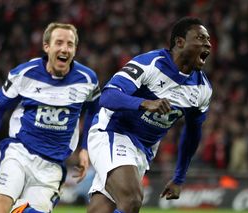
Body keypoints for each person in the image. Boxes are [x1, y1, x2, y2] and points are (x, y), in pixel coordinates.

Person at [0, 22, 100, 213]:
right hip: (19, 153)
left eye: (70, 44)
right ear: (47, 46)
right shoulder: (24, 74)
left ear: (75, 49)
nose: (64, 48)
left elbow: (94, 111)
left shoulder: (87, 80)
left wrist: (85, 149)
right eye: (59, 42)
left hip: (52, 165)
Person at [87, 16, 212, 213]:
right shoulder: (150, 64)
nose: (208, 44)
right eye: (201, 38)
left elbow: (192, 134)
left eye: (208, 40)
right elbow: (108, 96)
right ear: (180, 42)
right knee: (132, 200)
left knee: (100, 210)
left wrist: (179, 178)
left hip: (144, 150)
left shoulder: (202, 89)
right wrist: (144, 103)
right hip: (112, 132)